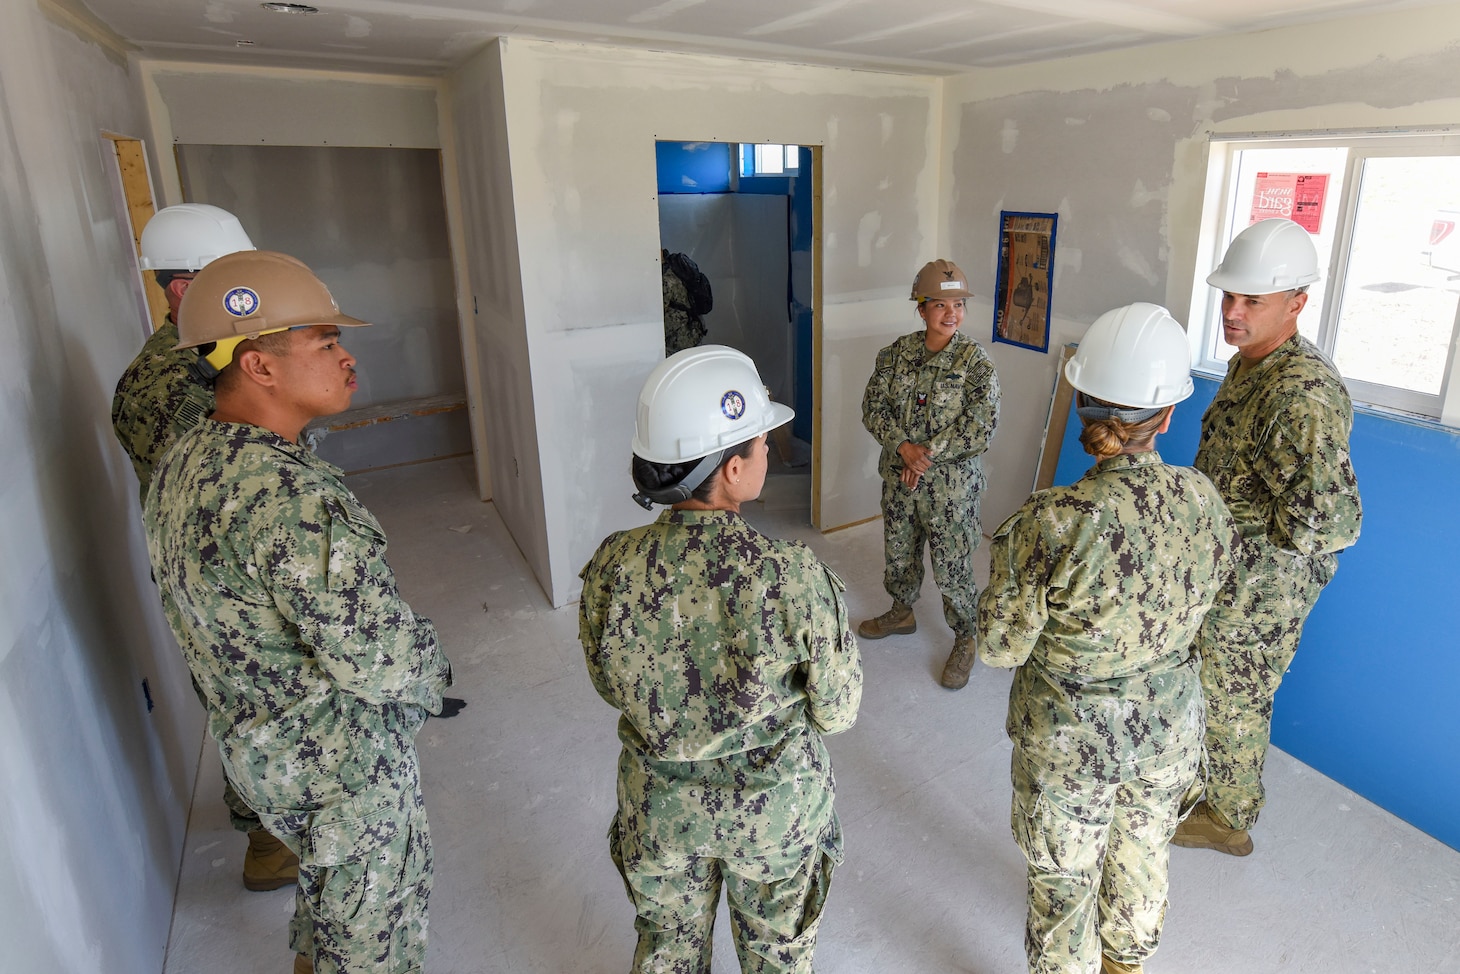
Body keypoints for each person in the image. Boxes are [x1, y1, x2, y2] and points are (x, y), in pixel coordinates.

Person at [144, 250, 453, 974]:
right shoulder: (288, 501)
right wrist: (431, 664)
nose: (347, 359)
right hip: (340, 771)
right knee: (373, 941)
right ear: (259, 365)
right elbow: (380, 660)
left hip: (265, 756)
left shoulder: (188, 460)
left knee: (328, 902)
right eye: (325, 343)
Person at [579, 345, 863, 973]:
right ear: (733, 470)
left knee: (668, 953)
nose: (770, 452)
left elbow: (609, 683)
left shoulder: (612, 566)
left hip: (660, 812)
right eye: (763, 444)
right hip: (774, 816)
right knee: (777, 955)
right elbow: (839, 711)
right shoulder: (793, 577)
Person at [977, 303, 1240, 974]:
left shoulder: (1053, 522)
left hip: (1070, 740)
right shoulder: (1204, 499)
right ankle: (1127, 963)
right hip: (1167, 729)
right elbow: (1218, 602)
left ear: (1084, 405)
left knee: (1065, 878)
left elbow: (999, 646)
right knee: (1144, 848)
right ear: (1169, 415)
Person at [108, 203, 303, 892]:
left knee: (265, 706)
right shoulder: (166, 385)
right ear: (184, 291)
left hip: (245, 573)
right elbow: (227, 493)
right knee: (256, 708)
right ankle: (272, 845)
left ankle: (276, 828)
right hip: (228, 588)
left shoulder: (205, 357)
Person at [1173, 217, 1363, 856]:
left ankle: (1230, 819)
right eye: (1229, 296)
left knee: (1235, 698)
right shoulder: (1251, 363)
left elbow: (1327, 522)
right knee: (1211, 687)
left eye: (1252, 300)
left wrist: (1247, 549)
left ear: (1296, 303)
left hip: (1260, 589)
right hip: (1227, 571)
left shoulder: (1300, 392)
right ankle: (1206, 786)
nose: (1232, 311)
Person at [859, 258, 1000, 690]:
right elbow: (872, 407)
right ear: (921, 309)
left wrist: (925, 456)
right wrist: (904, 448)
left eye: (958, 304)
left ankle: (965, 636)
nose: (951, 314)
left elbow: (981, 425)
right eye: (940, 305)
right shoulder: (894, 356)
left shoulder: (976, 365)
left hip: (950, 490)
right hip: (900, 482)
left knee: (953, 565)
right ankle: (901, 611)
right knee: (899, 552)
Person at [662, 248, 709, 355]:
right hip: (692, 331)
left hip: (681, 337)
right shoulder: (676, 270)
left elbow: (655, 313)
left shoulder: (666, 280)